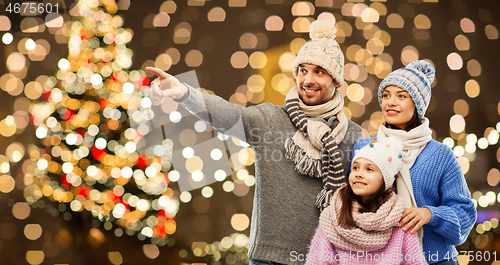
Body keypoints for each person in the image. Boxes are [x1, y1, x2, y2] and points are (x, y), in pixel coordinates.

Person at [146, 19, 363, 264]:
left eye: (319, 72)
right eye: (302, 70)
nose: (308, 80)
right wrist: (185, 93)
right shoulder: (271, 119)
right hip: (268, 259)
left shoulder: (354, 137)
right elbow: (226, 114)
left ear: (336, 80)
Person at [352, 60, 476, 265]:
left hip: (435, 260)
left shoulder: (440, 155)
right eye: (386, 95)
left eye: (401, 96)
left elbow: (464, 214)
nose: (390, 102)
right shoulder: (365, 149)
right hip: (378, 259)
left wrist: (430, 214)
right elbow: (349, 204)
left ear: (418, 104)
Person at [306, 138, 427, 265]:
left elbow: (415, 262)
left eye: (369, 169)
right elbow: (317, 262)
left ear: (385, 180)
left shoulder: (400, 221)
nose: (359, 174)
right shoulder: (332, 216)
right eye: (355, 168)